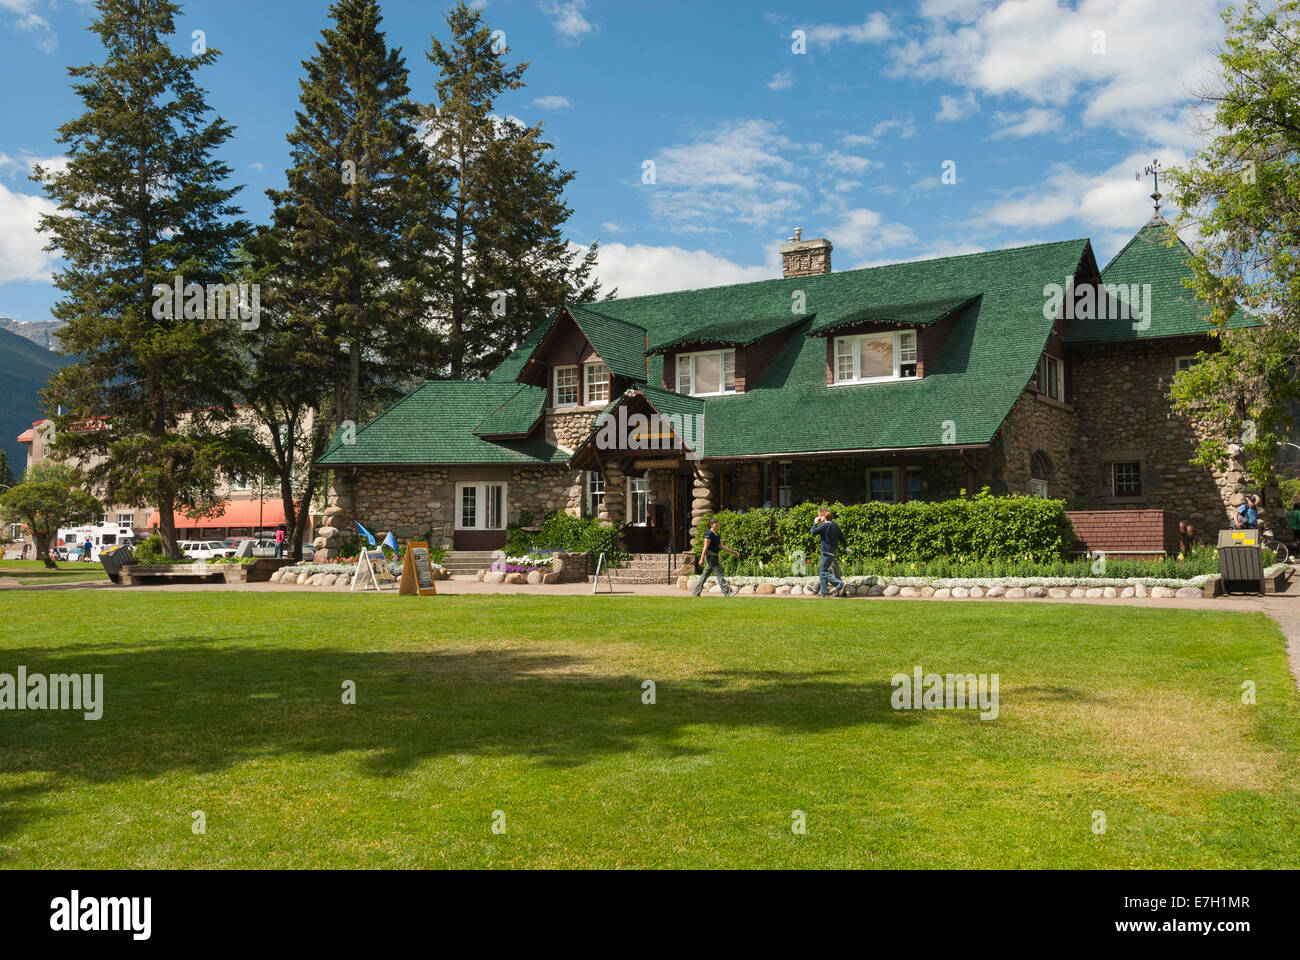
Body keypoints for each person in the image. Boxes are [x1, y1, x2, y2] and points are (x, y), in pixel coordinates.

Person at [692, 517, 738, 597]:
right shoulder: (709, 534)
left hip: (715, 556)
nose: (717, 524)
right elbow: (705, 547)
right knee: (719, 573)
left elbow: (722, 546)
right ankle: (728, 592)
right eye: (715, 523)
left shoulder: (717, 535)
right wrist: (702, 558)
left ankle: (696, 592)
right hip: (710, 557)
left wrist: (733, 552)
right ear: (711, 524)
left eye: (717, 522)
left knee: (705, 575)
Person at [811, 507, 849, 597]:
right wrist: (846, 547)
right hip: (832, 551)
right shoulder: (835, 525)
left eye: (820, 516)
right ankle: (824, 593)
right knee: (823, 572)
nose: (819, 517)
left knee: (824, 572)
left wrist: (815, 522)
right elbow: (841, 537)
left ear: (823, 516)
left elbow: (813, 532)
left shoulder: (825, 525)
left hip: (826, 551)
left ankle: (840, 584)